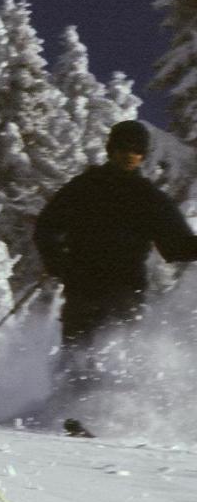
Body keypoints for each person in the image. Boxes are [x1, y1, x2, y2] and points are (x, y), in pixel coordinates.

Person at [34, 119, 197, 434]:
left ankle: (106, 419)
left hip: (126, 287)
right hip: (83, 281)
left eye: (136, 151)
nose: (129, 155)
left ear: (143, 156)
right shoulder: (85, 187)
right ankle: (66, 414)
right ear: (111, 150)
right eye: (123, 148)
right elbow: (47, 228)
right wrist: (58, 262)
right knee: (78, 347)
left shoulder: (148, 197)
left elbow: (176, 245)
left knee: (117, 349)